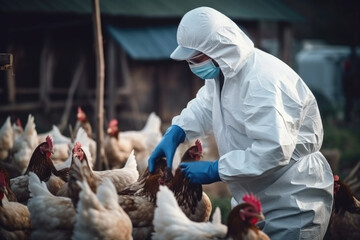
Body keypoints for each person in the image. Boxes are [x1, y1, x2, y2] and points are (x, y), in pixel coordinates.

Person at [148, 6, 333, 240]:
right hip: (253, 193)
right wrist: (177, 130)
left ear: (218, 50)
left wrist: (217, 169)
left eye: (196, 58)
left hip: (291, 197)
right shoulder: (223, 74)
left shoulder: (263, 81)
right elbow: (205, 107)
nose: (192, 65)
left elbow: (273, 150)